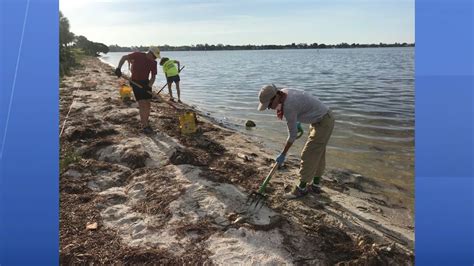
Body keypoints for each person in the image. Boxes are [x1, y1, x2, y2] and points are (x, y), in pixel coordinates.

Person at [257, 84, 335, 199]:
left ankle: (301, 189)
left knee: (308, 154)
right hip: (321, 119)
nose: (269, 108)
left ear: (275, 97)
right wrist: (297, 120)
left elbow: (292, 135)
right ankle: (316, 185)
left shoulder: (288, 106)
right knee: (318, 153)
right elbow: (302, 103)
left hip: (323, 122)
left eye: (269, 105)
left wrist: (283, 154)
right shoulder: (284, 93)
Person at [114, 47, 160, 134]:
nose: (155, 58)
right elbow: (124, 57)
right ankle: (145, 126)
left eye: (156, 57)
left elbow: (153, 77)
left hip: (146, 84)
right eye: (154, 56)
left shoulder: (154, 63)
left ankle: (146, 122)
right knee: (142, 103)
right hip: (135, 82)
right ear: (150, 53)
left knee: (148, 104)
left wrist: (149, 86)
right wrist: (119, 68)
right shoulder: (138, 55)